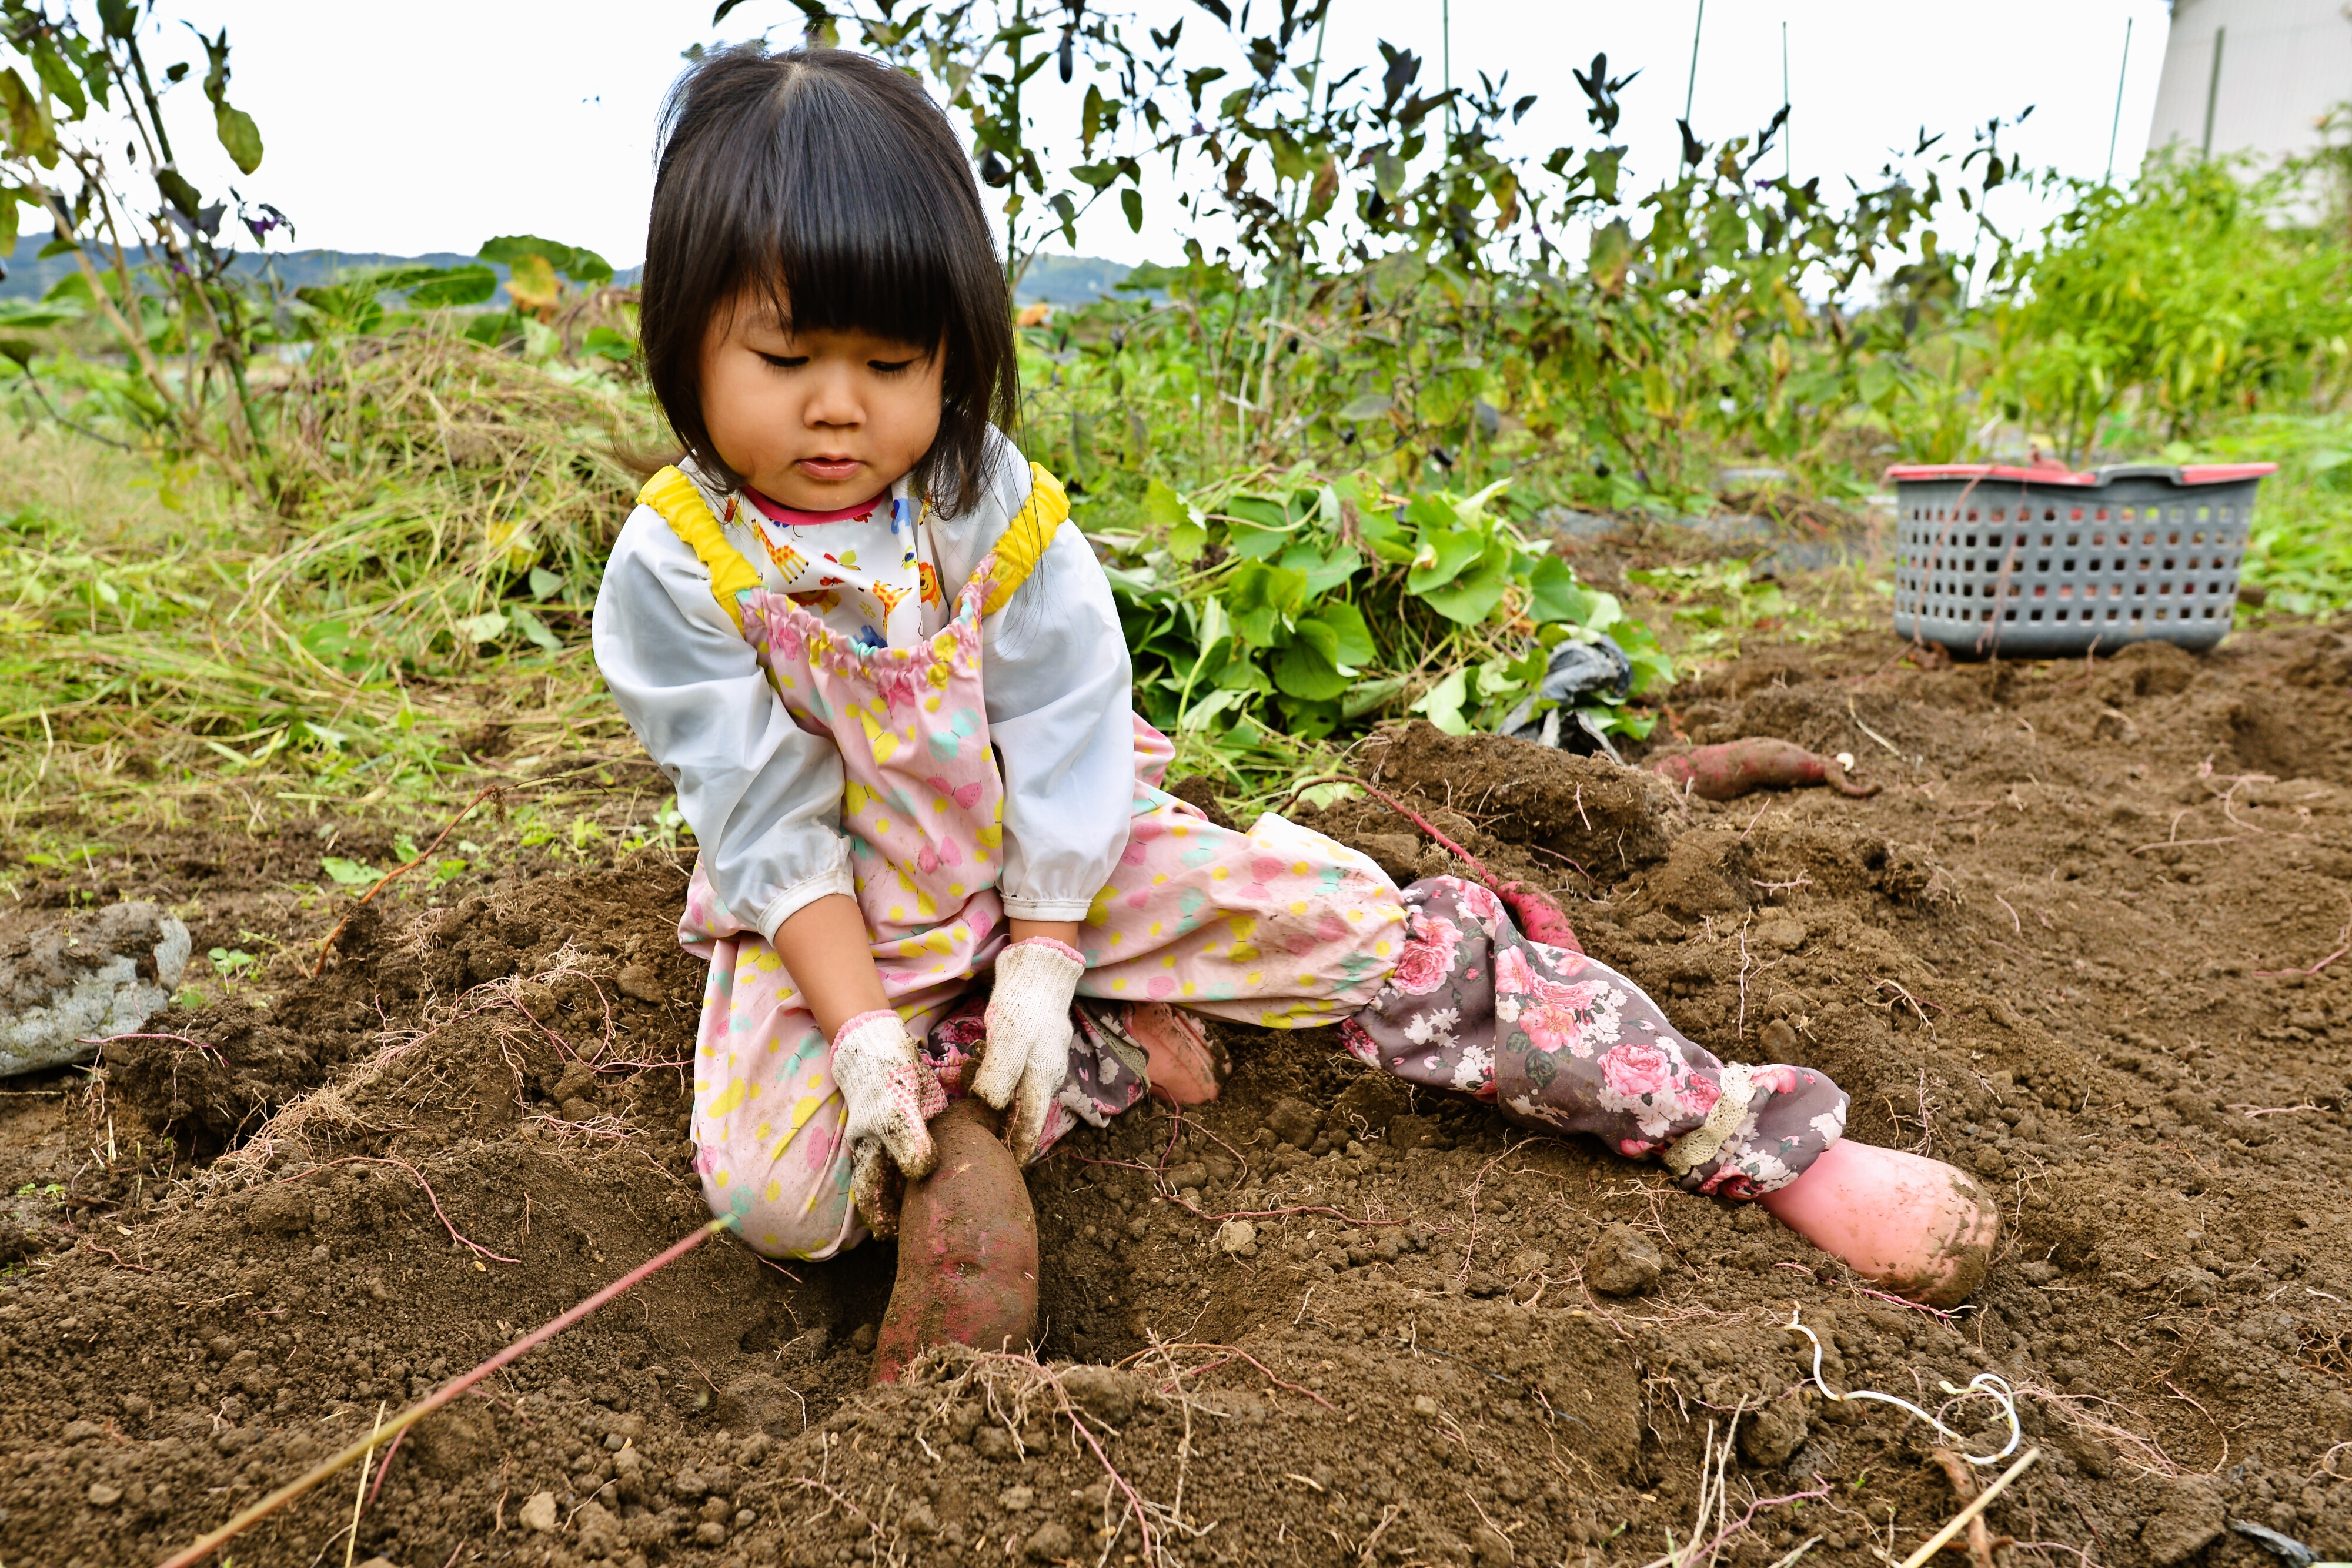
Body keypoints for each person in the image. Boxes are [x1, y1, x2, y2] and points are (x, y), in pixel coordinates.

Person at [592, 44, 1997, 1355]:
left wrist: (1039, 939)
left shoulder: (985, 504)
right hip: (841, 922)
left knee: (1359, 938)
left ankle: (1751, 1133)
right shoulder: (678, 564)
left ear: (951, 354)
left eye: (891, 368)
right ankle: (1089, 1051)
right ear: (687, 335)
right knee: (777, 1192)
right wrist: (858, 1034)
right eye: (786, 362)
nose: (840, 411)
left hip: (1067, 854)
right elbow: (765, 820)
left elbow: (1066, 731)